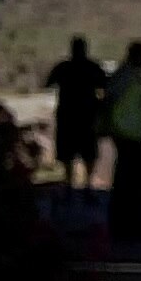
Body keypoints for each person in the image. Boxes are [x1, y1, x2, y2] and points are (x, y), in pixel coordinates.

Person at [100, 40, 141, 243]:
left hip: (135, 133)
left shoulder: (140, 76)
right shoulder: (127, 76)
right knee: (131, 179)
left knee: (136, 178)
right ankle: (126, 222)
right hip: (126, 134)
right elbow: (110, 99)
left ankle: (131, 221)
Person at [44, 35, 108, 191]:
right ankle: (86, 185)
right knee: (87, 152)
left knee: (69, 152)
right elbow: (106, 87)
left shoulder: (63, 68)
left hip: (69, 115)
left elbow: (48, 84)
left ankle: (70, 184)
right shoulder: (92, 68)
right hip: (86, 116)